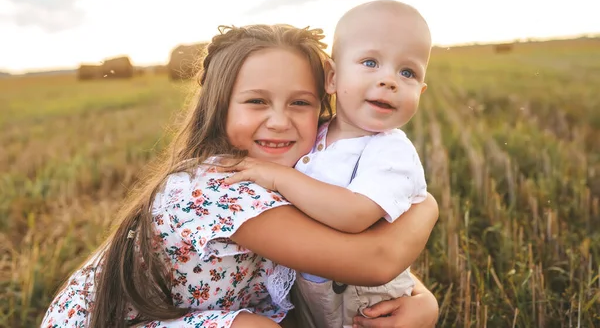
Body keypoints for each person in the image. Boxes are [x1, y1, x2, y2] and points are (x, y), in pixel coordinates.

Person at [40, 23, 439, 328]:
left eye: (300, 103)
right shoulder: (218, 186)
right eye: (256, 101)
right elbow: (375, 259)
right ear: (219, 107)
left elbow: (344, 252)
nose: (280, 121)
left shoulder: (301, 167)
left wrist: (421, 300)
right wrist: (426, 207)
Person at [223, 0, 433, 327]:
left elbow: (354, 215)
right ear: (332, 77)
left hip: (363, 303)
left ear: (420, 91)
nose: (389, 80)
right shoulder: (314, 132)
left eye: (407, 72)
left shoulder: (390, 151)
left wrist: (279, 178)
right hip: (315, 291)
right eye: (370, 62)